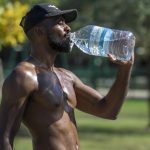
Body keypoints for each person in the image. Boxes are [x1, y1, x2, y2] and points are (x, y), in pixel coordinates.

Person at [0, 3, 134, 150]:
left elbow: (108, 110)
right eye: (60, 23)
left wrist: (125, 68)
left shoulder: (67, 76)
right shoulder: (24, 76)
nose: (68, 28)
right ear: (39, 31)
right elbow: (4, 138)